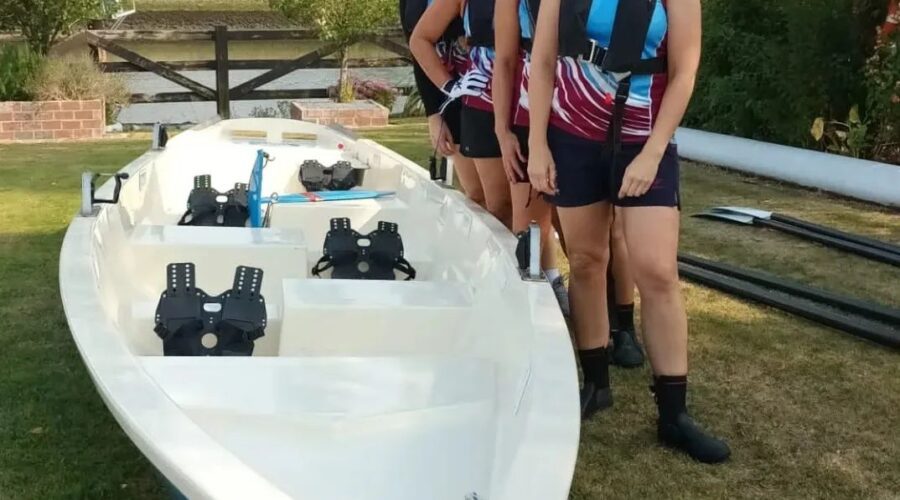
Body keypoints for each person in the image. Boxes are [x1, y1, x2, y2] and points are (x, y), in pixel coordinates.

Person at [527, 0, 730, 463]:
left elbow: (683, 72)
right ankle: (596, 384)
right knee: (585, 261)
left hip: (643, 138)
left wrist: (654, 153)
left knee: (657, 272)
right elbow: (541, 62)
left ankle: (674, 415)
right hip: (572, 136)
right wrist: (538, 144)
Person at [410, 0, 567, 313]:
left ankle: (541, 296)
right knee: (497, 209)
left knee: (530, 222)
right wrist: (450, 86)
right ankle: (502, 300)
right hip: (482, 109)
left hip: (531, 107)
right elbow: (419, 39)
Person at [400, 0, 485, 207]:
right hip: (448, 97)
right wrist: (433, 113)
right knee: (475, 194)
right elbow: (417, 51)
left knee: (497, 199)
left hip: (483, 90)